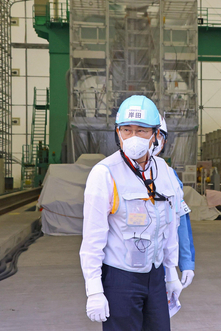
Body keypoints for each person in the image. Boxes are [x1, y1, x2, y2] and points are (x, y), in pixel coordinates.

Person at [80, 95, 183, 330]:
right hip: (120, 278)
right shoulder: (104, 173)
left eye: (141, 130)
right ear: (118, 133)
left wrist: (171, 272)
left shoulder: (164, 171)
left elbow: (170, 228)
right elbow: (92, 240)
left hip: (155, 277)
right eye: (126, 130)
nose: (133, 137)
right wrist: (94, 289)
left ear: (156, 134)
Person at [153, 117, 195, 289]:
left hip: (160, 264)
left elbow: (181, 221)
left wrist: (186, 262)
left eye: (157, 135)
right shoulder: (112, 174)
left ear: (164, 141)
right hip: (122, 264)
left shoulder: (169, 176)